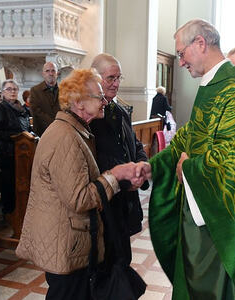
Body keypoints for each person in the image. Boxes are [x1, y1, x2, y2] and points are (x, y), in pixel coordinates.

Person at [148, 19, 235, 300]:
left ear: (200, 43)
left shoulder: (234, 89)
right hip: (198, 206)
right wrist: (150, 166)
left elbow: (232, 163)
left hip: (216, 216)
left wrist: (188, 166)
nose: (181, 63)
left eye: (181, 54)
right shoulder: (211, 85)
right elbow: (190, 137)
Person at [16, 69, 150, 300]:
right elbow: (79, 199)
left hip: (70, 241)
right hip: (64, 243)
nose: (103, 101)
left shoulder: (75, 130)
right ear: (78, 102)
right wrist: (115, 176)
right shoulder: (65, 136)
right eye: (98, 96)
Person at [89, 53, 149, 269]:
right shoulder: (89, 117)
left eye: (118, 78)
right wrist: (127, 175)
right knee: (107, 265)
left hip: (126, 201)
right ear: (96, 79)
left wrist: (140, 169)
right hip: (105, 203)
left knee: (123, 259)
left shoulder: (121, 111)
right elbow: (94, 159)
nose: (116, 84)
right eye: (110, 78)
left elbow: (135, 145)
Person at [0, 79, 31, 215]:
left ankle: (21, 212)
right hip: (8, 153)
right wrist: (16, 136)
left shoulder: (21, 108)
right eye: (9, 89)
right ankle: (9, 214)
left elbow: (26, 127)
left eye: (15, 89)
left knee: (22, 184)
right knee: (9, 185)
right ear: (3, 92)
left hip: (23, 153)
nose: (13, 92)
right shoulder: (1, 108)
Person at [30, 62, 60, 136]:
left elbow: (67, 109)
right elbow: (36, 111)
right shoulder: (35, 90)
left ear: (57, 73)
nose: (51, 73)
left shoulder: (64, 90)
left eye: (53, 71)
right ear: (43, 74)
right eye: (47, 71)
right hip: (43, 131)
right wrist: (53, 123)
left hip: (61, 130)